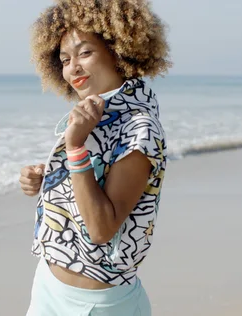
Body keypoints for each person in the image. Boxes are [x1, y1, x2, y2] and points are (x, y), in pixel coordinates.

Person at [18, 0, 171, 315]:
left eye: (84, 53)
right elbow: (90, 180)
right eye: (64, 59)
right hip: (48, 288)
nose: (72, 67)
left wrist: (74, 148)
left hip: (98, 305)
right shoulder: (99, 113)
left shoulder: (139, 127)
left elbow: (102, 228)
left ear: (119, 51)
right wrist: (49, 177)